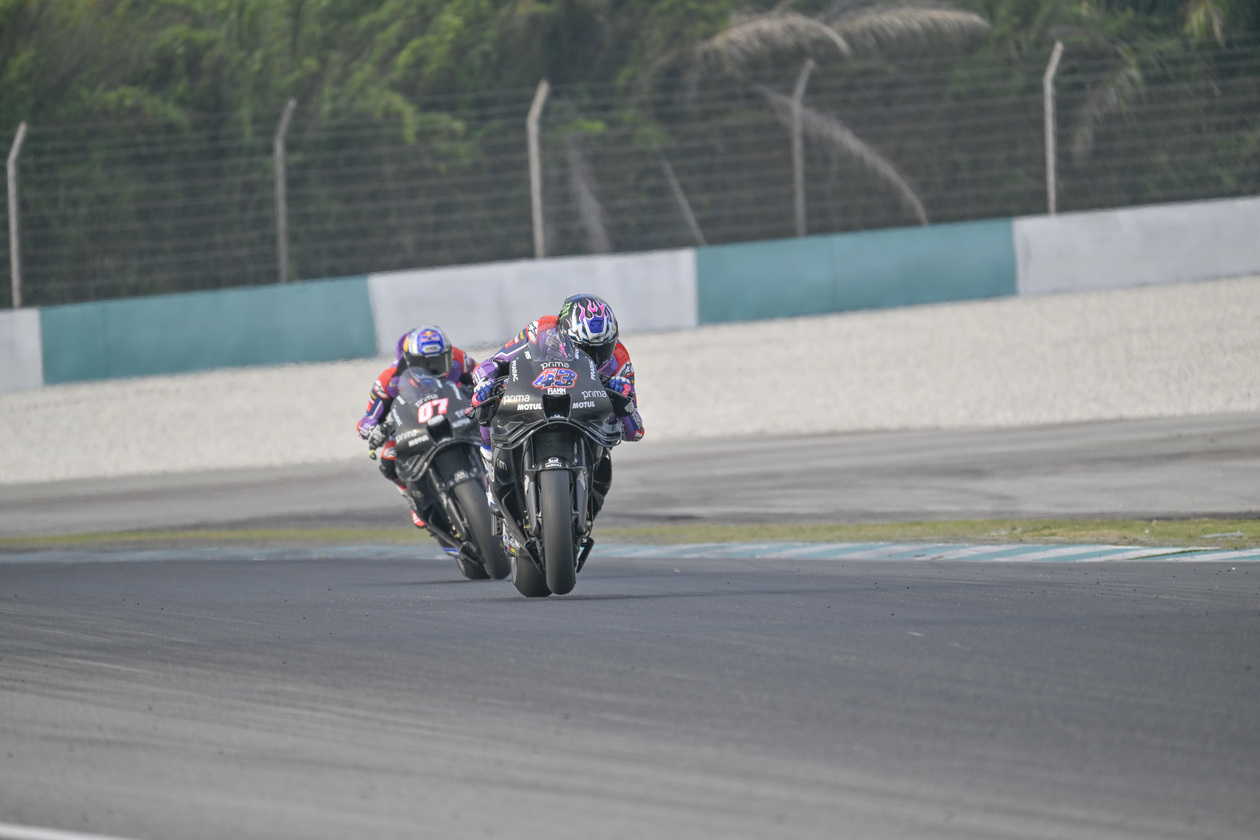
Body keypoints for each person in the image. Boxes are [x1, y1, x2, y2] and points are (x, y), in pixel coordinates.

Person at [469, 293, 644, 522]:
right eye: (585, 349)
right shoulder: (541, 329)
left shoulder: (619, 358)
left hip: (587, 422)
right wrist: (486, 381)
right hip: (536, 399)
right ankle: (490, 471)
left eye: (604, 348)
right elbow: (492, 363)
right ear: (565, 334)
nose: (595, 357)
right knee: (485, 405)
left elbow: (635, 431)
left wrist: (623, 403)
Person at [356, 325, 477, 528]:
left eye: (440, 360)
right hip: (414, 427)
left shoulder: (459, 359)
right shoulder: (389, 380)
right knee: (388, 458)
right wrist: (374, 430)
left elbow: (483, 375)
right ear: (410, 361)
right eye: (425, 364)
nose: (434, 368)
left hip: (457, 415)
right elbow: (366, 420)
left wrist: (481, 389)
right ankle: (411, 497)